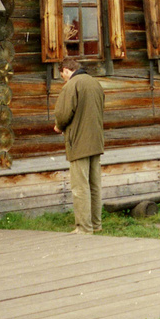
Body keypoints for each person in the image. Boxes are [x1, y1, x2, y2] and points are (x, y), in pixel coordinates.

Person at [54, 56, 105, 234]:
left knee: (80, 186)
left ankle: (84, 228)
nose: (64, 79)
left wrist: (58, 126)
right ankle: (96, 225)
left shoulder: (71, 85)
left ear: (66, 70)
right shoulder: (95, 83)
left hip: (79, 141)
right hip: (96, 140)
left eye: (62, 75)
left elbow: (63, 113)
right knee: (94, 184)